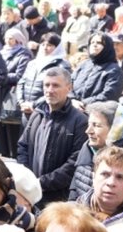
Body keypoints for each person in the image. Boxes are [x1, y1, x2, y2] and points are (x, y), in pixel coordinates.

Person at [15, 67, 88, 205]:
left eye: (55, 85)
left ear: (69, 88)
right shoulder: (37, 114)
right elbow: (23, 146)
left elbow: (75, 162)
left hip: (59, 198)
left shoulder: (80, 121)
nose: (49, 90)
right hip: (32, 193)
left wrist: (42, 182)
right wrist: (28, 178)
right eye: (46, 85)